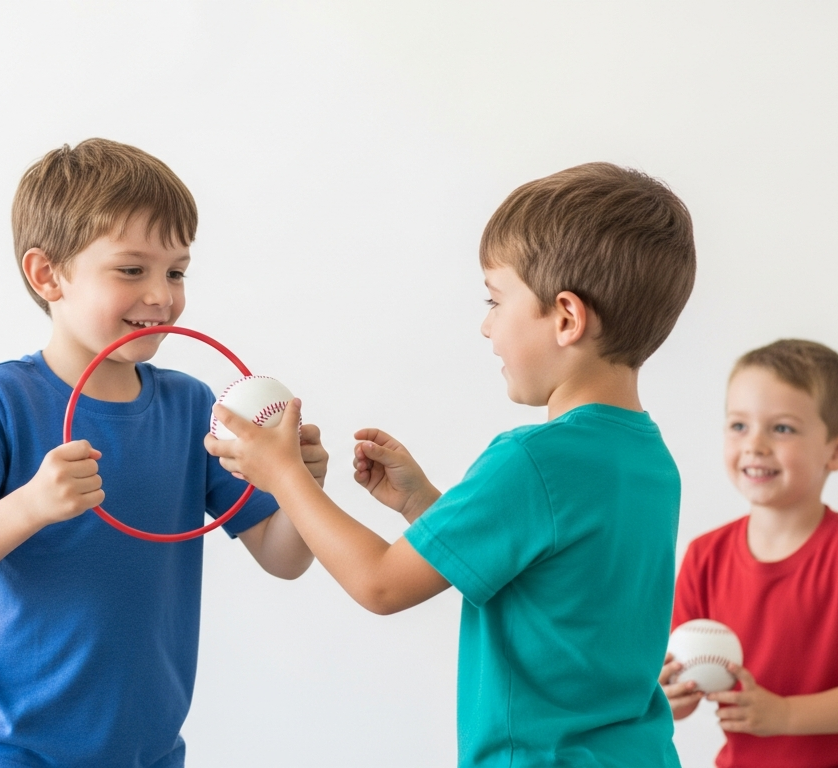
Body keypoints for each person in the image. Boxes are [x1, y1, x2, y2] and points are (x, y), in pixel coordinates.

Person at [207, 162, 696, 767]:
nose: (487, 325)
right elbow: (547, 585)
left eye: (496, 300)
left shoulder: (531, 460)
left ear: (566, 318)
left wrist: (283, 472)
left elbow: (381, 584)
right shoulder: (647, 459)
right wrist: (422, 505)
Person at [0, 138, 320, 768]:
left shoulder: (190, 407)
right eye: (132, 270)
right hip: (11, 748)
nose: (162, 295)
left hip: (146, 751)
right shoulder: (2, 398)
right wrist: (32, 505)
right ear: (48, 275)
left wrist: (298, 486)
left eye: (176, 271)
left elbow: (281, 556)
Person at [661, 339, 838, 767]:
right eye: (739, 425)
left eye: (782, 428)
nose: (755, 444)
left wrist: (786, 714)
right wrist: (670, 697)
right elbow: (681, 691)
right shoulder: (705, 556)